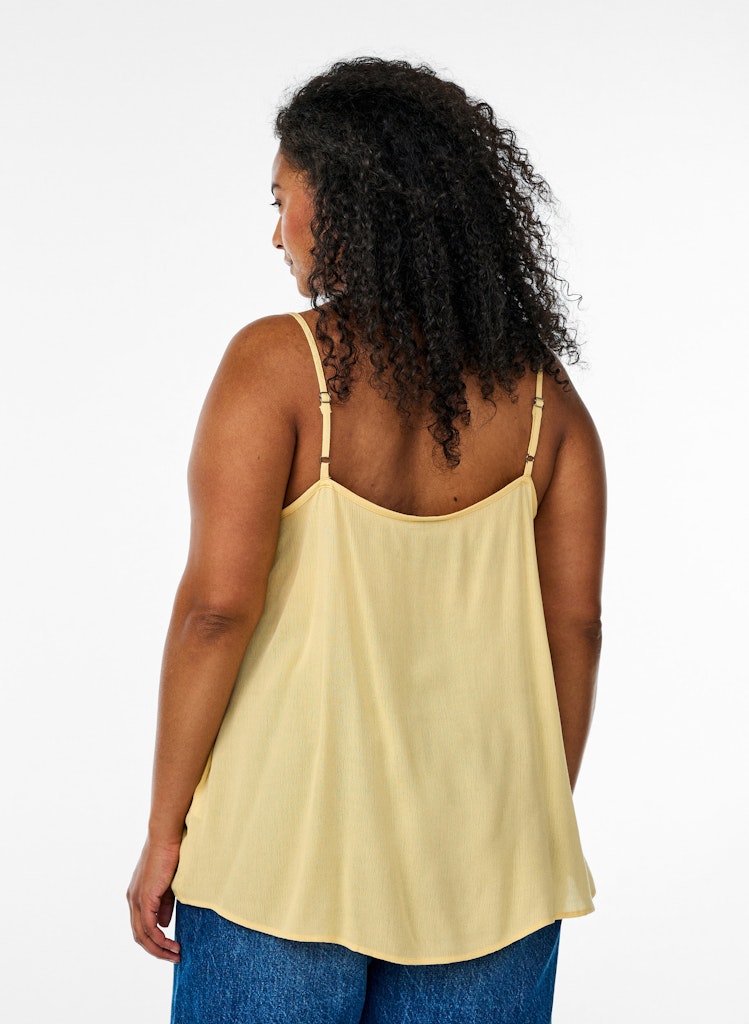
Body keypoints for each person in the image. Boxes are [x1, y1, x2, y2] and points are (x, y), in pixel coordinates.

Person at [127, 56, 606, 1023]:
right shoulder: (548, 407)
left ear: (346, 203)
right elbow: (578, 630)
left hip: (282, 853)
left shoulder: (278, 365)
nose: (277, 233)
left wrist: (164, 829)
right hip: (488, 872)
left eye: (283, 201)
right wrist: (517, 819)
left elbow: (216, 611)